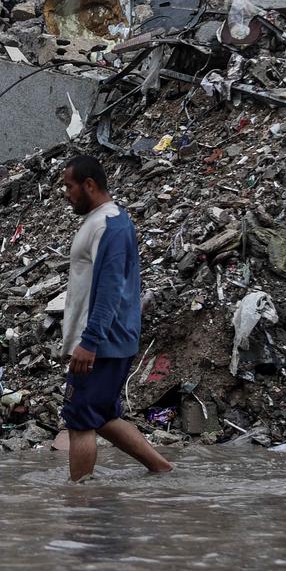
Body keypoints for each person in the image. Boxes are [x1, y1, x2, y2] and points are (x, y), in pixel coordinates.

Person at [59, 155, 173, 482]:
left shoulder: (111, 226)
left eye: (69, 186)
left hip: (102, 343)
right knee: (104, 415)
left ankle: (80, 503)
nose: (66, 193)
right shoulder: (100, 221)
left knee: (80, 420)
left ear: (89, 185)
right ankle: (162, 469)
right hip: (104, 341)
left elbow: (110, 290)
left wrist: (89, 342)